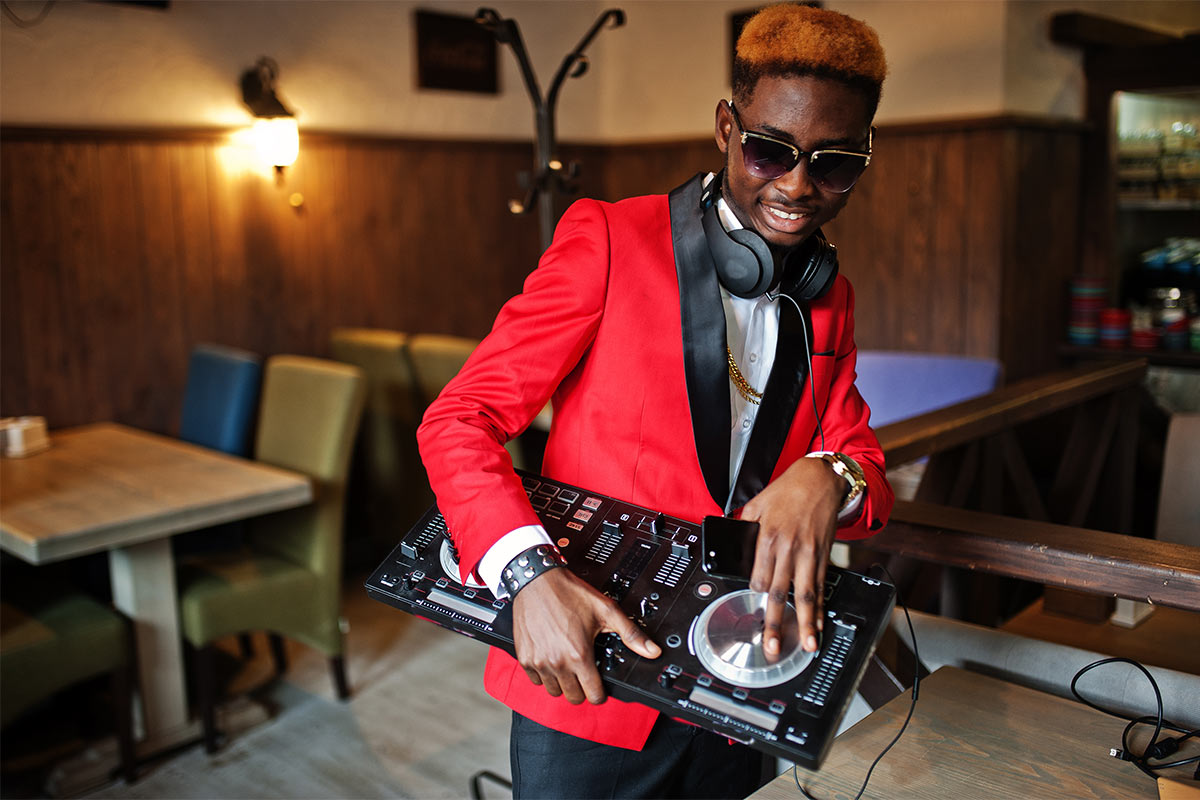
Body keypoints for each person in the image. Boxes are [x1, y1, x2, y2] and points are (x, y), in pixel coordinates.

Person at [417, 4, 895, 798]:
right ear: (725, 128)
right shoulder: (607, 239)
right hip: (588, 682)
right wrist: (528, 578)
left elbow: (865, 469)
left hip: (738, 677)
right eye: (771, 149)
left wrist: (831, 476)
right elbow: (459, 420)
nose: (799, 185)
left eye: (834, 163)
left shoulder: (828, 294)